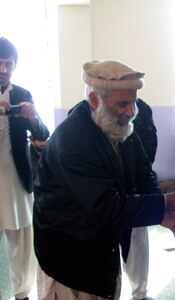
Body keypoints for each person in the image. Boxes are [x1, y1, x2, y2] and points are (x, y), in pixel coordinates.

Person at [33, 60, 175, 299]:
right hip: (70, 255)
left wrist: (162, 211)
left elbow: (142, 172)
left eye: (134, 101)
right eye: (123, 104)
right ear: (95, 100)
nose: (131, 111)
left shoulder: (117, 124)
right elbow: (106, 206)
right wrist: (172, 202)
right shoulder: (73, 142)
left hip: (101, 246)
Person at [0, 37, 49, 300]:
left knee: (20, 239)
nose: (3, 70)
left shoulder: (22, 94)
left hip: (17, 178)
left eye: (9, 64)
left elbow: (43, 133)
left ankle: (22, 293)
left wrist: (33, 117)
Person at [121, 98, 158, 300]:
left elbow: (149, 146)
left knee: (137, 243)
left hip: (135, 189)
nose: (129, 111)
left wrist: (161, 206)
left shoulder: (143, 108)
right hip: (100, 201)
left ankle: (140, 293)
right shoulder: (78, 117)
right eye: (122, 104)